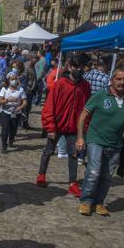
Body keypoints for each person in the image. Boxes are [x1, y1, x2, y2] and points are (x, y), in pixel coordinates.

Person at [76, 68, 124, 217]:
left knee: (107, 175)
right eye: (119, 79)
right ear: (112, 79)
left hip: (115, 143)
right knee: (94, 171)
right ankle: (87, 201)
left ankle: (99, 202)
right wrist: (81, 137)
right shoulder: (100, 95)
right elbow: (83, 116)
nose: (122, 82)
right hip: (96, 139)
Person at [36, 59, 91, 196]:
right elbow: (49, 106)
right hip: (57, 124)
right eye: (76, 66)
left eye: (81, 66)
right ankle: (41, 175)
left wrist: (84, 127)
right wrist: (50, 127)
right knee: (49, 151)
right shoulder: (59, 83)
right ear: (71, 67)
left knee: (73, 154)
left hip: (74, 127)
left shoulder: (85, 86)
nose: (78, 69)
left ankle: (73, 183)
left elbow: (87, 108)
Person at [0, 71, 27, 153]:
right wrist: (7, 100)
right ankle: (4, 146)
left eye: (15, 79)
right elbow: (0, 101)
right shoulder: (4, 89)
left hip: (16, 113)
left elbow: (25, 101)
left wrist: (21, 107)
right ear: (8, 80)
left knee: (13, 129)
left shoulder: (20, 89)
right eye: (12, 79)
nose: (13, 81)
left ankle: (11, 141)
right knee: (5, 128)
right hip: (5, 112)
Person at [22, 56, 38, 129]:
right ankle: (23, 123)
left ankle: (25, 123)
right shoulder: (27, 67)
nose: (37, 61)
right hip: (27, 91)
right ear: (31, 59)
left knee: (28, 108)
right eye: (35, 59)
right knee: (25, 108)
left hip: (31, 91)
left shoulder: (32, 66)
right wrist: (26, 90)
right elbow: (25, 80)